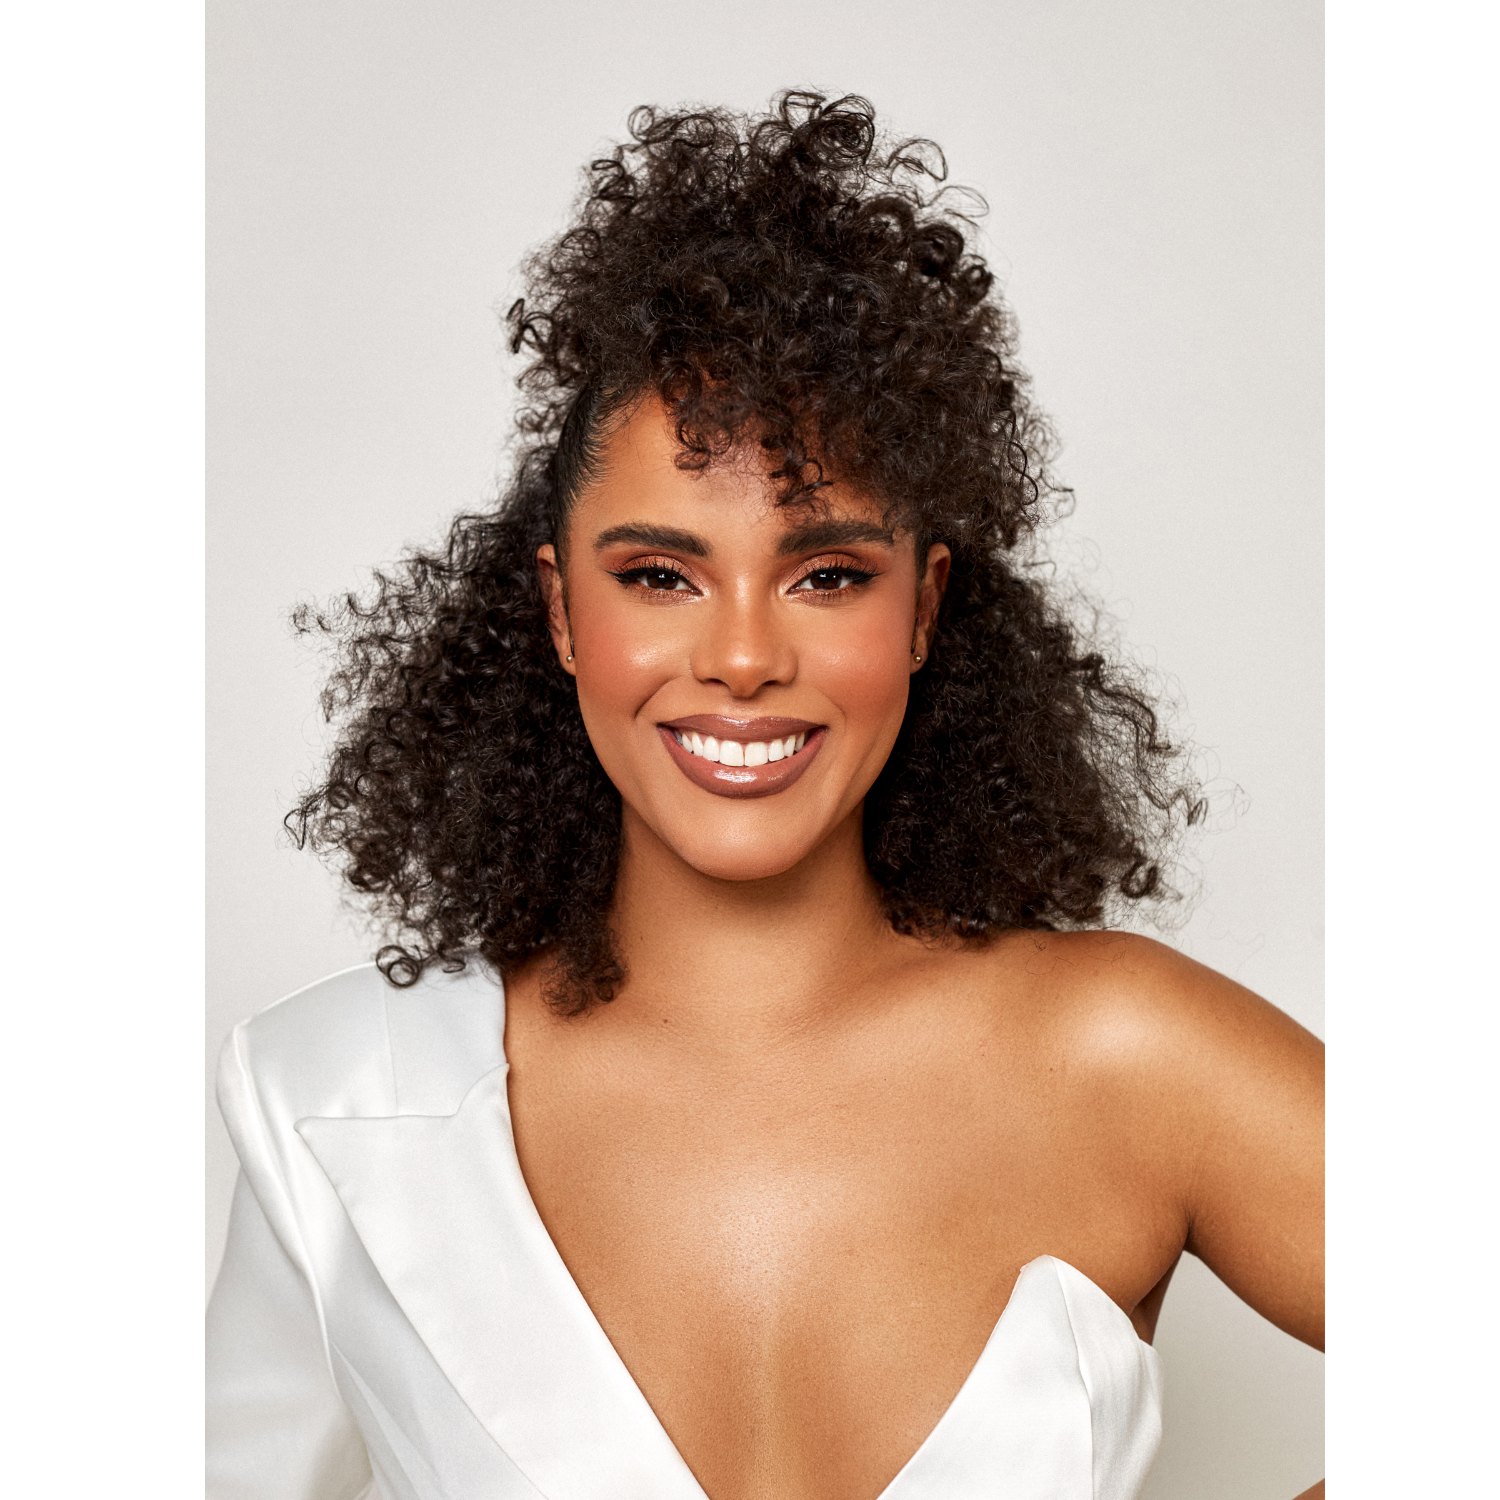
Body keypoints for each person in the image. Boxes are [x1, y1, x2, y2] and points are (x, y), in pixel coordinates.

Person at [207, 92, 1323, 1500]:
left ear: (925, 610)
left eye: (828, 575)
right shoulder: (335, 1096)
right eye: (659, 576)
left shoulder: (1125, 1058)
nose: (742, 658)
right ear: (560, 612)